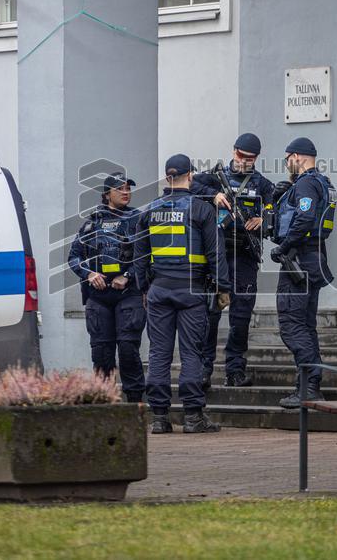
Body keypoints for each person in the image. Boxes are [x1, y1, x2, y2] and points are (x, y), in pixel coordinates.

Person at [133, 154, 231, 433]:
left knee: (159, 354)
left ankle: (160, 418)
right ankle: (193, 417)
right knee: (191, 353)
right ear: (191, 177)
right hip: (192, 292)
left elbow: (139, 256)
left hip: (158, 290)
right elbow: (216, 253)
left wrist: (144, 288)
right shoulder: (201, 210)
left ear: (167, 178)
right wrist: (223, 287)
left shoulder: (148, 211)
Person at [191, 133, 275, 389]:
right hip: (216, 256)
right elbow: (190, 185)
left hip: (244, 256)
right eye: (241, 156)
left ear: (256, 159)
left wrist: (264, 221)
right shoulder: (214, 177)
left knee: (241, 317)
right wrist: (213, 195)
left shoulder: (263, 185)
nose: (244, 162)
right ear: (233, 151)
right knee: (210, 314)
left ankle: (235, 370)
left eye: (250, 159)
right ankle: (203, 370)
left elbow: (274, 214)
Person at [269, 137, 337, 409]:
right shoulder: (322, 182)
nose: (288, 164)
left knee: (292, 325)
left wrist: (285, 246)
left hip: (300, 260)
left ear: (297, 156)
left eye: (288, 159)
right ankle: (306, 385)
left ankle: (309, 387)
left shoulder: (307, 183)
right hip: (313, 257)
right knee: (305, 326)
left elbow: (305, 217)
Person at [67, 172, 146, 403]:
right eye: (120, 189)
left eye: (128, 188)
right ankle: (104, 402)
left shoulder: (138, 219)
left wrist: (128, 276)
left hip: (128, 294)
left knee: (128, 349)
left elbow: (147, 256)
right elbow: (74, 257)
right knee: (101, 354)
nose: (126, 192)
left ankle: (135, 404)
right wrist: (89, 274)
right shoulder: (92, 222)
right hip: (99, 297)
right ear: (107, 194)